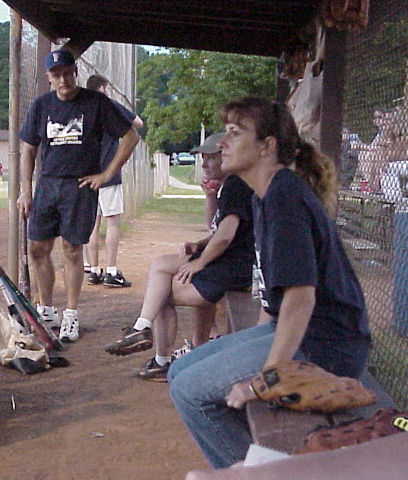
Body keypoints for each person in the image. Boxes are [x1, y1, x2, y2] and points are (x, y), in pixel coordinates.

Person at [168, 96, 370, 469]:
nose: (223, 142)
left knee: (188, 391)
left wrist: (267, 379)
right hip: (303, 332)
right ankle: (260, 462)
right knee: (180, 370)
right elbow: (274, 299)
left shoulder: (284, 198)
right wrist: (248, 350)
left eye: (235, 132)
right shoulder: (266, 195)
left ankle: (264, 473)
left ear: (267, 146)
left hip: (326, 345)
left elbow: (300, 299)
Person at [104, 132, 254, 381]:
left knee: (162, 293)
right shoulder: (232, 185)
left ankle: (157, 353)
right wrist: (200, 243)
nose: (204, 164)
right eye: (203, 158)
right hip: (232, 262)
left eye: (211, 158)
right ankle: (161, 337)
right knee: (161, 267)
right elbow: (216, 229)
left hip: (234, 268)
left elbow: (226, 236)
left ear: (228, 156)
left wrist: (201, 262)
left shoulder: (236, 185)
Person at [18, 50, 139, 342]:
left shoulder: (96, 102)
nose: (63, 80)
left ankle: (71, 314)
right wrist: (26, 190)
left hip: (80, 186)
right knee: (38, 249)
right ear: (49, 78)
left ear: (75, 72)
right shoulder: (41, 105)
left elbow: (130, 136)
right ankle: (47, 309)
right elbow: (28, 149)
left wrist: (107, 174)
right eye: (56, 75)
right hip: (48, 185)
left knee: (73, 249)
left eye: (67, 73)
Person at [84, 74, 144, 288]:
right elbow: (138, 123)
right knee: (112, 222)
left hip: (88, 174)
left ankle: (94, 270)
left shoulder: (83, 108)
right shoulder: (108, 105)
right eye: (106, 88)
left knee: (93, 223)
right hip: (108, 173)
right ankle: (111, 271)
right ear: (102, 89)